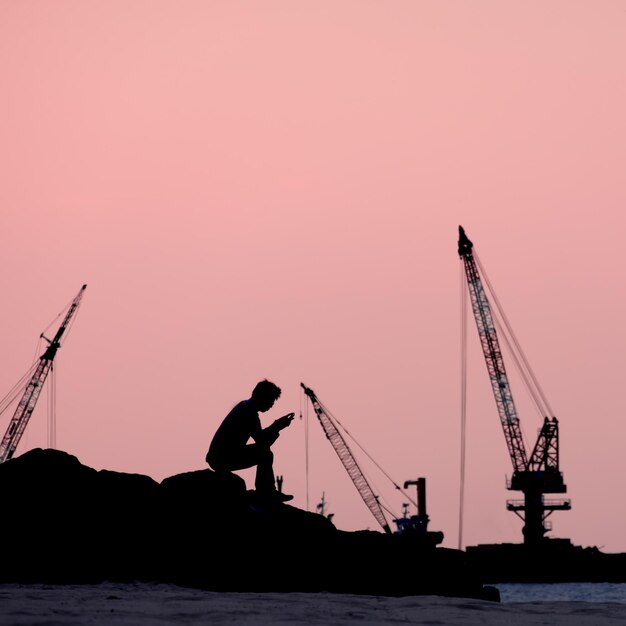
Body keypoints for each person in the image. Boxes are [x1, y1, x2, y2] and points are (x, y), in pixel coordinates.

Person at [206, 379, 295, 503]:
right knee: (265, 454)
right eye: (271, 400)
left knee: (264, 452)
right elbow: (262, 442)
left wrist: (276, 426)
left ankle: (266, 491)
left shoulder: (245, 407)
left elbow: (261, 439)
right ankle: (266, 492)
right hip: (222, 457)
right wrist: (278, 426)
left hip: (221, 455)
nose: (271, 405)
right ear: (262, 397)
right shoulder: (249, 413)